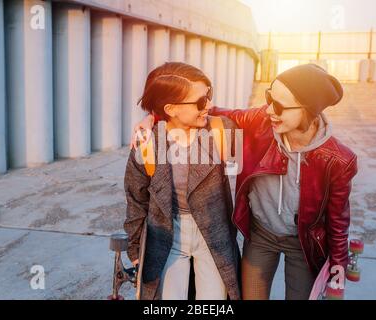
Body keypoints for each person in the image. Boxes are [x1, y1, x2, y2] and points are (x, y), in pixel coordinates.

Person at [132, 64, 358, 300]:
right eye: (269, 98)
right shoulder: (260, 121)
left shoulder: (339, 159)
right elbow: (197, 107)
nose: (269, 110)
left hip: (302, 243)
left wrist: (337, 273)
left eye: (279, 106)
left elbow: (338, 222)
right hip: (261, 235)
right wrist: (154, 116)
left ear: (308, 110)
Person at [123, 62, 241, 300]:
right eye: (200, 102)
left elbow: (260, 119)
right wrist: (135, 248)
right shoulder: (148, 143)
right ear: (171, 109)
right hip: (167, 233)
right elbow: (136, 198)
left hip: (213, 236)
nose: (208, 105)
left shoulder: (222, 131)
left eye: (208, 96)